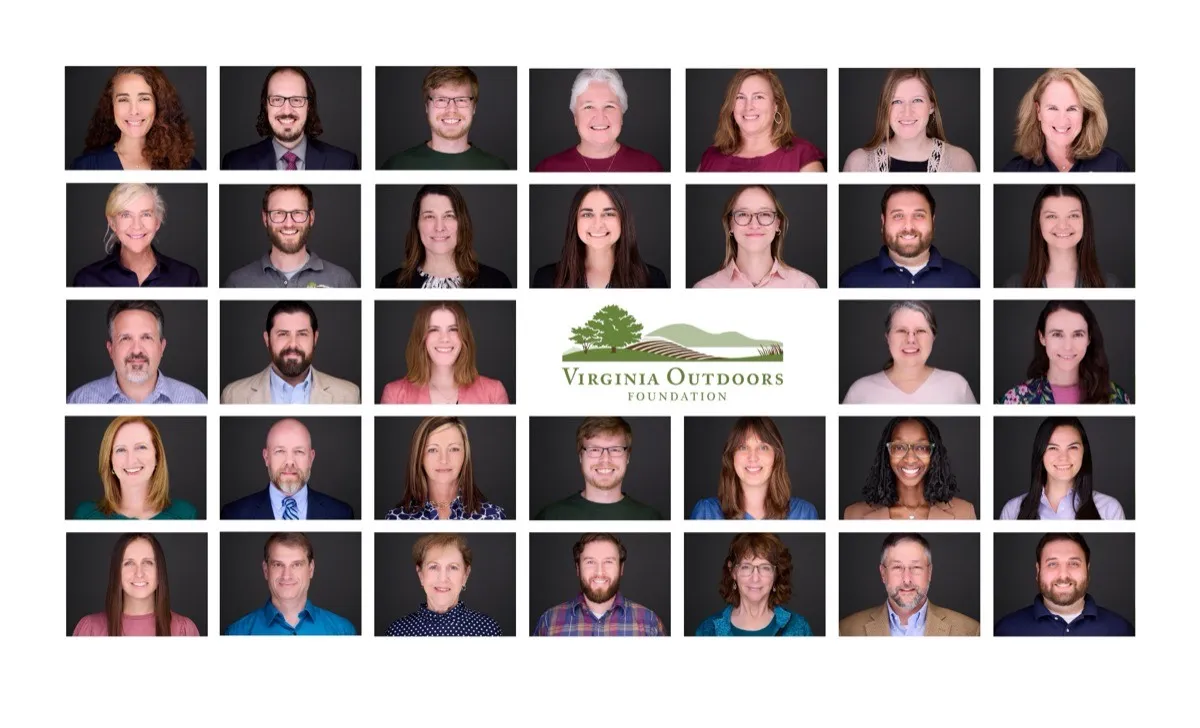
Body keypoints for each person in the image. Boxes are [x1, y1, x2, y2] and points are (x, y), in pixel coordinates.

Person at [839, 533, 980, 636]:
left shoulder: (972, 632)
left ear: (929, 572)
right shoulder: (844, 631)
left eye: (916, 568)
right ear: (883, 573)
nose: (907, 580)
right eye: (897, 568)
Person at [67, 300, 207, 404]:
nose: (136, 350)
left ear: (161, 347)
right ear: (110, 349)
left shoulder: (194, 399)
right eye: (126, 338)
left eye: (146, 337)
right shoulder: (78, 400)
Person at [220, 301, 361, 404]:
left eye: (302, 334)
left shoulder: (349, 396)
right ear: (267, 339)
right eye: (283, 334)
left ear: (315, 338)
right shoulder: (233, 396)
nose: (293, 344)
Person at [839, 184, 979, 288]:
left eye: (918, 215)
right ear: (883, 222)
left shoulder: (966, 281)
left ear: (933, 221)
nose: (908, 227)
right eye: (898, 216)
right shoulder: (851, 282)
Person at [221, 66, 359, 170]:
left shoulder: (344, 163)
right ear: (266, 106)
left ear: (309, 106)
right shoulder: (235, 164)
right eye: (277, 99)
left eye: (297, 100)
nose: (287, 111)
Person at [995, 533, 1134, 635]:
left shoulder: (1121, 630)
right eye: (1052, 564)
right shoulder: (1005, 631)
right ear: (1038, 570)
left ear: (1087, 568)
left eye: (1073, 564)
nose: (1063, 575)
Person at [531, 185, 668, 288]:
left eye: (608, 214)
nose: (597, 224)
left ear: (622, 220)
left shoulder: (652, 280)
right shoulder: (546, 279)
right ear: (575, 221)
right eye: (587, 214)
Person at [842, 69, 977, 172]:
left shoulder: (961, 162)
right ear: (885, 108)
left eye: (917, 100)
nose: (907, 112)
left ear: (931, 106)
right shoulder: (857, 163)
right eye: (897, 101)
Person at [842, 300, 976, 404]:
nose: (911, 339)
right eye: (901, 331)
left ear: (933, 337)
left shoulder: (957, 386)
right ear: (887, 337)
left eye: (920, 331)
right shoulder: (859, 391)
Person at [378, 185, 512, 288]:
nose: (439, 227)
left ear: (461, 223)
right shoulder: (391, 283)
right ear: (417, 224)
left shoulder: (496, 282)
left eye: (448, 216)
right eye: (429, 216)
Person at [224, 184, 357, 288]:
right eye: (279, 213)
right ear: (265, 218)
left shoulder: (342, 281)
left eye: (297, 212)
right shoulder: (237, 282)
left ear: (311, 218)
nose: (289, 224)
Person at [999, 300, 1132, 404]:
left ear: (1089, 338)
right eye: (1057, 334)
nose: (1068, 347)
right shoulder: (1015, 400)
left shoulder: (1116, 398)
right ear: (1042, 338)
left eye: (1078, 334)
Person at [533, 533, 666, 636]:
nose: (600, 572)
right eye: (590, 562)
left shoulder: (649, 623)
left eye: (608, 562)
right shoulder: (549, 622)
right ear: (578, 568)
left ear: (621, 568)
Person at [843, 417, 976, 520]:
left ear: (934, 455)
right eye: (899, 447)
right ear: (887, 454)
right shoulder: (853, 515)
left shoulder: (964, 513)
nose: (910, 459)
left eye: (921, 447)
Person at [70, 66, 202, 170]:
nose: (134, 111)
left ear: (158, 106)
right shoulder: (85, 167)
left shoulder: (187, 167)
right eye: (123, 100)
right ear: (111, 107)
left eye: (144, 98)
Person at [220, 418, 354, 520]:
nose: (290, 462)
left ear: (311, 458)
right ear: (266, 457)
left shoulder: (341, 514)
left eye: (299, 452)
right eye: (280, 451)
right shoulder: (233, 514)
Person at [72, 183, 202, 287]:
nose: (136, 225)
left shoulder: (187, 278)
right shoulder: (87, 281)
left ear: (157, 221)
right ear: (112, 223)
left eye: (146, 214)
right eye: (126, 215)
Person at [225, 532, 356, 635]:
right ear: (266, 570)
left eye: (296, 565)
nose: (286, 575)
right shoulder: (237, 633)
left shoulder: (343, 631)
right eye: (278, 564)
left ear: (311, 569)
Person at [534, 69, 663, 172]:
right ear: (575, 117)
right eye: (588, 107)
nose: (600, 117)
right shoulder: (548, 169)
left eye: (609, 106)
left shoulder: (648, 167)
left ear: (621, 115)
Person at [379, 301, 509, 404]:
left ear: (465, 336)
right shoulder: (394, 395)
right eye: (434, 330)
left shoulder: (494, 393)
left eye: (453, 329)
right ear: (421, 338)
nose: (444, 338)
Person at [689, 416, 818, 520]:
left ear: (776, 456)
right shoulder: (706, 513)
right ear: (731, 456)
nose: (753, 457)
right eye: (743, 447)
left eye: (763, 447)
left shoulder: (804, 514)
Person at [1003, 68, 1130, 172]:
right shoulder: (1015, 170)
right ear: (1038, 111)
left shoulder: (1113, 165)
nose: (1062, 120)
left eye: (1072, 109)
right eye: (1053, 108)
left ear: (1084, 113)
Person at [380, 67, 509, 170]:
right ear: (427, 107)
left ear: (474, 107)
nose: (451, 109)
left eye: (461, 100)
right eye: (441, 100)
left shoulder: (497, 168)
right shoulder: (397, 166)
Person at [535, 417, 663, 520]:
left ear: (628, 457)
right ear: (580, 456)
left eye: (615, 449)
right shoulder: (551, 517)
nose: (605, 459)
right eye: (594, 450)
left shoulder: (651, 518)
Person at [693, 185, 819, 288]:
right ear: (730, 224)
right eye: (743, 214)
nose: (754, 224)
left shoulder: (805, 286)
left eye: (764, 214)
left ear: (777, 224)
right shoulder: (703, 289)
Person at [697, 69, 824, 172]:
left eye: (758, 97)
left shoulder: (802, 157)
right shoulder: (710, 157)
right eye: (739, 97)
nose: (748, 106)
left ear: (776, 105)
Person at [72, 533, 200, 636]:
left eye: (148, 562)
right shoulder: (89, 630)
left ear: (160, 570)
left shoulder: (184, 630)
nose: (139, 573)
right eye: (129, 563)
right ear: (116, 572)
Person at [1000, 417, 1126, 520]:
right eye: (1053, 448)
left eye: (1073, 447)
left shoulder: (1109, 510)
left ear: (1084, 452)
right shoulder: (1012, 511)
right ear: (1041, 453)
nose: (1063, 458)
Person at [74, 416, 197, 520]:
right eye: (121, 450)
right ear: (110, 460)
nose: (131, 460)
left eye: (141, 447)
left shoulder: (185, 515)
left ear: (157, 456)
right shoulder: (85, 516)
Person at [384, 417, 506, 520]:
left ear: (465, 455)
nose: (444, 460)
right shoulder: (396, 518)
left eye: (453, 449)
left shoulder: (494, 516)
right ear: (419, 457)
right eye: (432, 450)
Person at [695, 533, 813, 636]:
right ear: (733, 572)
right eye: (746, 567)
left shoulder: (799, 627)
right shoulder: (707, 630)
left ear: (776, 574)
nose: (755, 578)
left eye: (765, 568)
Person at [385, 534, 502, 636]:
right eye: (433, 567)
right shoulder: (397, 631)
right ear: (421, 574)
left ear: (465, 575)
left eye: (453, 567)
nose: (442, 578)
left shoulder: (488, 630)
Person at [1005, 184, 1119, 288]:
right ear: (1038, 222)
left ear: (1085, 221)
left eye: (1073, 215)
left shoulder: (1110, 285)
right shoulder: (1015, 285)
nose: (1063, 226)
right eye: (1052, 216)